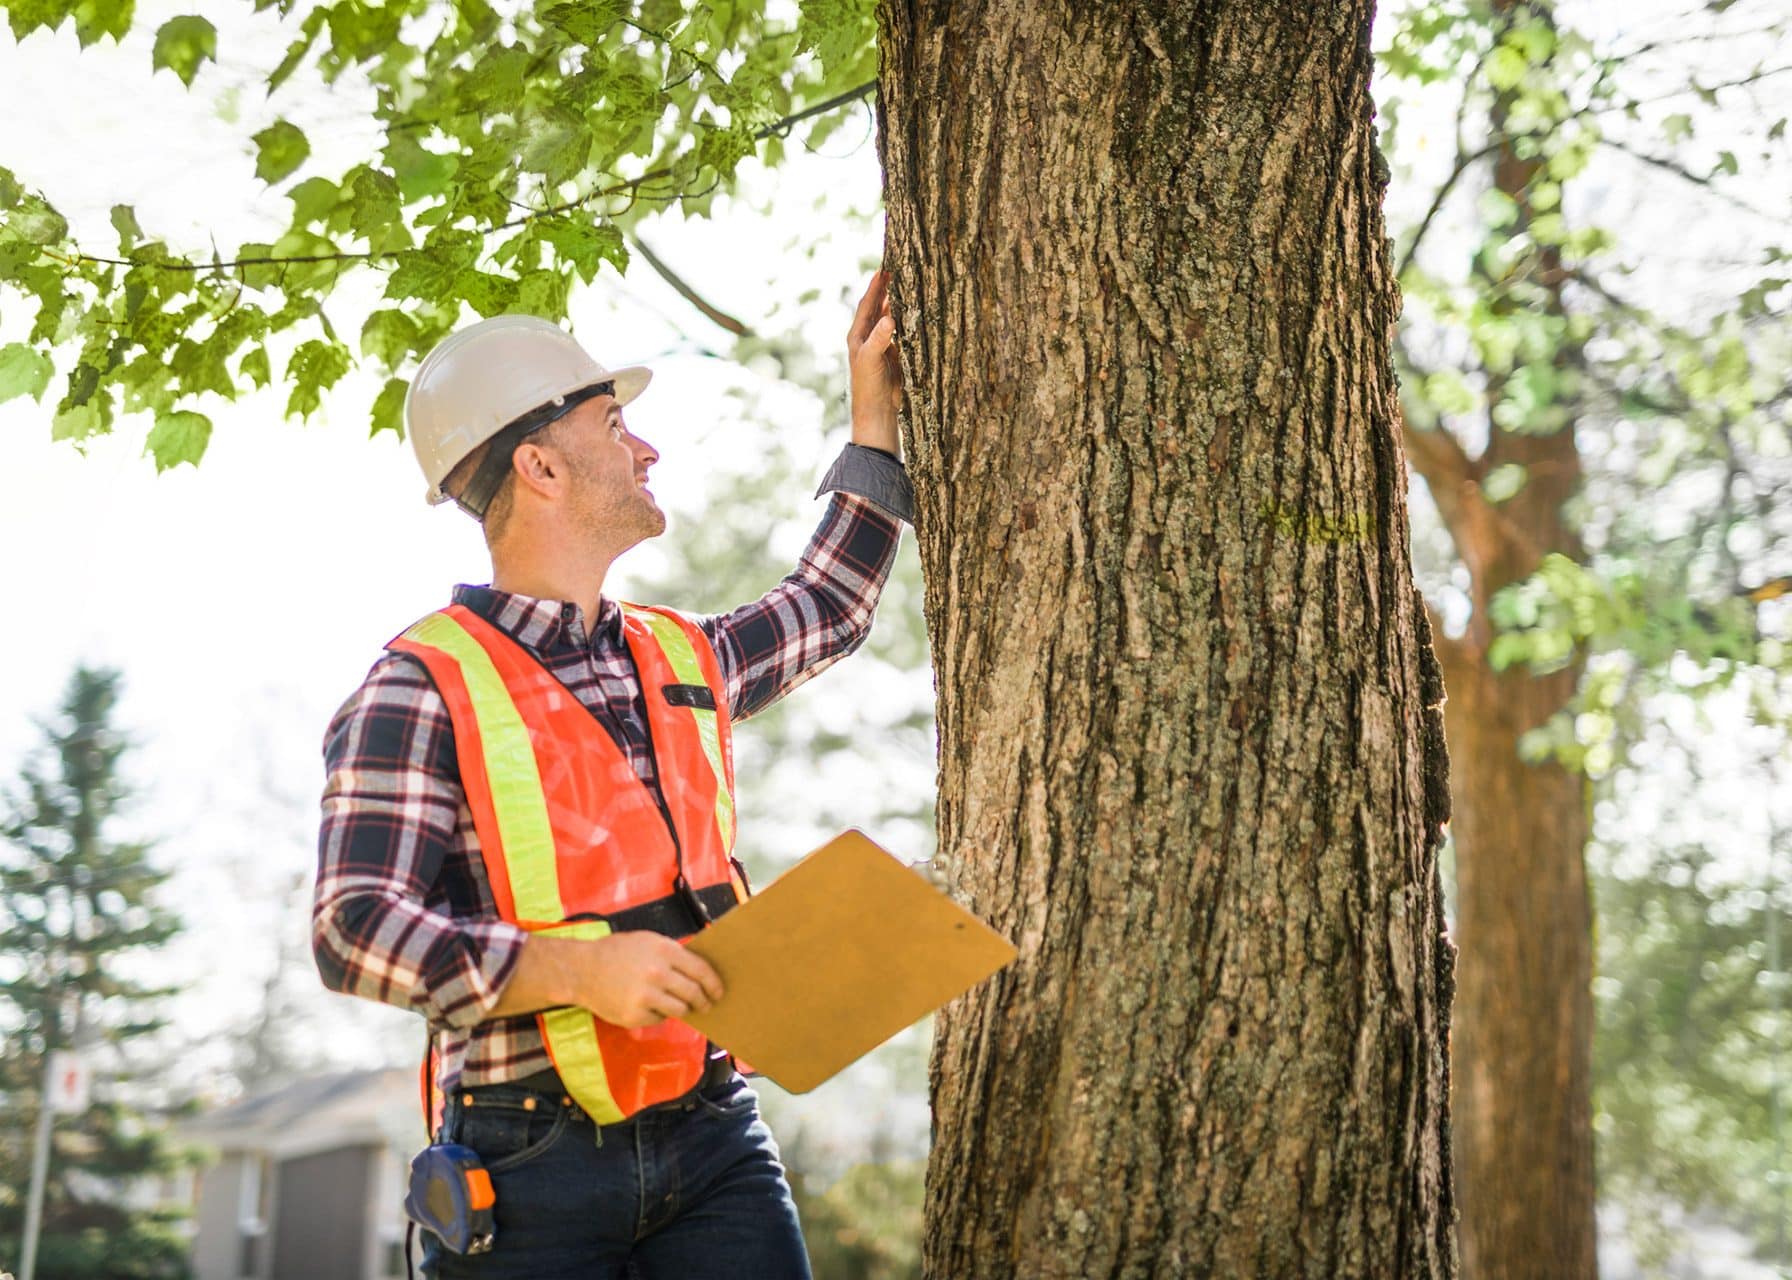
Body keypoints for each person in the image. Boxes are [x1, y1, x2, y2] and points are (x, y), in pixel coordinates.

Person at [312, 273, 910, 1278]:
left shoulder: (678, 656)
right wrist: (576, 970)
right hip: (525, 1153)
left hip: (713, 1131)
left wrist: (873, 415)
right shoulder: (420, 684)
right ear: (541, 465)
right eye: (617, 421)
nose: (647, 448)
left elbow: (829, 607)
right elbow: (352, 928)